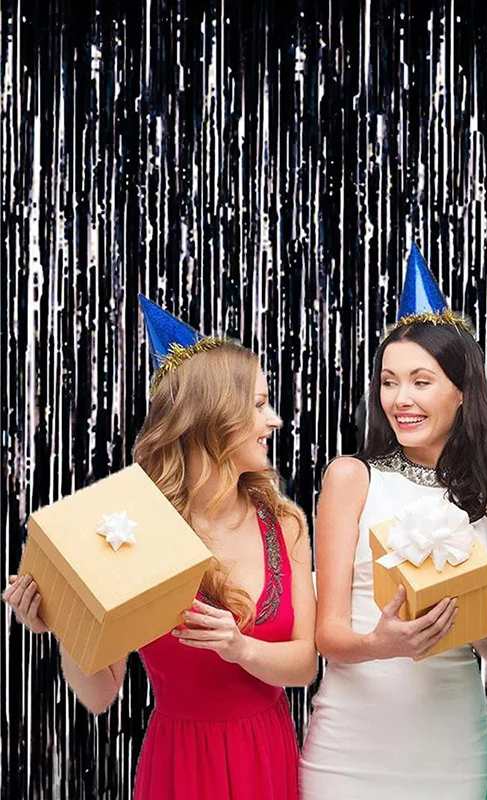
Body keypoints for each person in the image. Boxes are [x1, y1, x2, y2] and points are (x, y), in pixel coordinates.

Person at [3, 296, 317, 800]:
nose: (274, 420)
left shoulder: (286, 524)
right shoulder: (137, 530)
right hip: (181, 763)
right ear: (214, 417)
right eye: (259, 405)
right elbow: (101, 696)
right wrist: (64, 621)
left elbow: (304, 665)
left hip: (265, 752)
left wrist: (239, 648)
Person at [299, 244, 487, 800]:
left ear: (462, 392)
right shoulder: (351, 477)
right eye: (388, 381)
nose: (401, 399)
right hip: (350, 746)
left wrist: (479, 627)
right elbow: (328, 635)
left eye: (421, 381)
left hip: (452, 743)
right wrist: (384, 642)